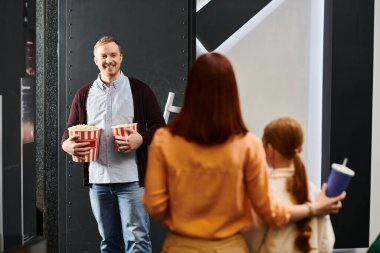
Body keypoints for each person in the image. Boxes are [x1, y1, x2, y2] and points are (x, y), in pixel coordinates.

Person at [142, 52, 345, 253]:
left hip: (180, 247)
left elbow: (154, 206)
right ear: (231, 92)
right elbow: (271, 211)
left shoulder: (164, 140)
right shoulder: (249, 144)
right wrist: (313, 208)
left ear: (192, 89)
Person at [61, 36, 166, 253]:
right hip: (98, 181)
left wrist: (141, 139)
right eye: (104, 56)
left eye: (113, 55)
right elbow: (68, 132)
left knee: (137, 241)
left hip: (132, 181)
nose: (109, 60)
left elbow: (160, 126)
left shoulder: (139, 90)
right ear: (95, 60)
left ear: (121, 57)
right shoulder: (84, 94)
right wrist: (67, 146)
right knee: (109, 243)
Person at [244, 117, 335, 253]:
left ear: (269, 149)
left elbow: (251, 241)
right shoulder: (315, 192)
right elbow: (327, 243)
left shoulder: (264, 192)